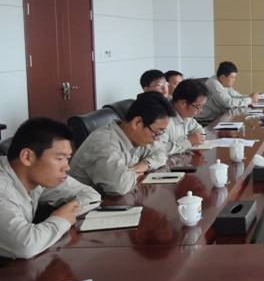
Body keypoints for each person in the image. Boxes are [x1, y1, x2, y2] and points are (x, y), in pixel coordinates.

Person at [0, 118, 101, 259]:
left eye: (67, 158)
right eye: (59, 158)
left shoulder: (37, 177)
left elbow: (91, 195)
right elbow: (26, 245)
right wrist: (60, 219)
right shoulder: (3, 189)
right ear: (27, 157)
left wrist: (68, 211)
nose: (67, 167)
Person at [69, 92, 175, 195]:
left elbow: (161, 153)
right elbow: (120, 186)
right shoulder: (104, 143)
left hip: (110, 199)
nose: (157, 139)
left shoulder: (136, 136)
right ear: (137, 123)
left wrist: (142, 166)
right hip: (82, 204)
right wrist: (132, 175)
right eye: (156, 132)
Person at [160, 79, 208, 155]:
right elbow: (159, 149)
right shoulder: (162, 119)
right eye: (198, 106)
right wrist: (188, 142)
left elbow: (198, 129)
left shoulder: (186, 115)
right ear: (183, 103)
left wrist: (200, 136)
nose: (201, 110)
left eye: (202, 106)